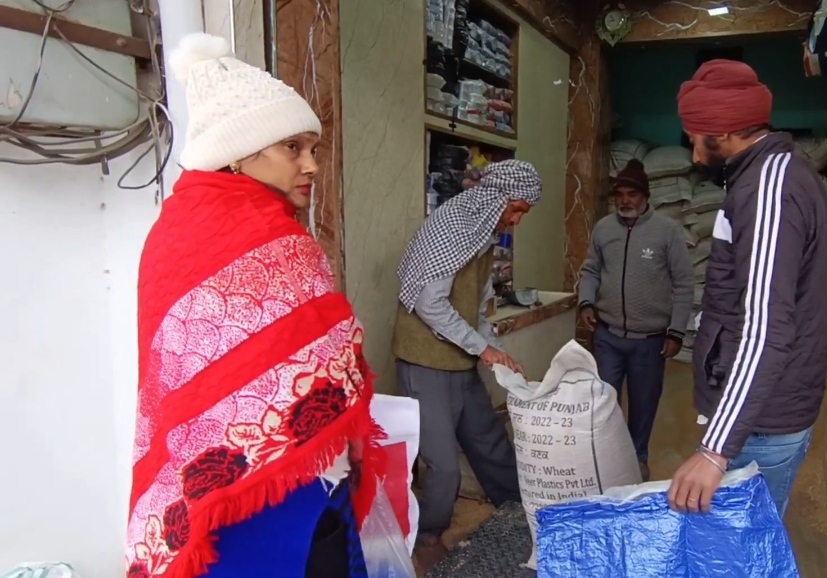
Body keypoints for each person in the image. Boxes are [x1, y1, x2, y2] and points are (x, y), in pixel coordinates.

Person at [127, 33, 386, 578]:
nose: (311, 165)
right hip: (289, 488)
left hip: (207, 481)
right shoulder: (271, 236)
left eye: (313, 149)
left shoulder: (170, 229)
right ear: (240, 154)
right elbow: (329, 356)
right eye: (293, 148)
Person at [667, 59, 827, 517]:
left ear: (721, 135)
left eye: (695, 140)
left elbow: (765, 329)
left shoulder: (768, 192)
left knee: (737, 556)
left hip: (760, 425)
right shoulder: (772, 177)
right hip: (765, 415)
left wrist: (715, 450)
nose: (695, 155)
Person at [393, 159, 540, 571]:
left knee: (489, 441)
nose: (516, 221)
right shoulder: (454, 226)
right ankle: (427, 536)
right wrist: (480, 348)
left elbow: (474, 310)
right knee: (442, 465)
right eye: (516, 210)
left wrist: (495, 351)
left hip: (457, 359)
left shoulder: (482, 237)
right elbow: (429, 303)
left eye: (522, 214)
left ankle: (518, 510)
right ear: (497, 199)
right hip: (425, 360)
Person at [577, 159, 694, 481]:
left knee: (643, 406)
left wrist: (676, 332)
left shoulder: (667, 232)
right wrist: (586, 302)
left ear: (645, 196)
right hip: (608, 336)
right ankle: (604, 460)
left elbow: (684, 284)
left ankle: (637, 457)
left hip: (650, 341)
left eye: (632, 194)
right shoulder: (604, 228)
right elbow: (590, 270)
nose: (625, 201)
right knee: (603, 402)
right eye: (620, 195)